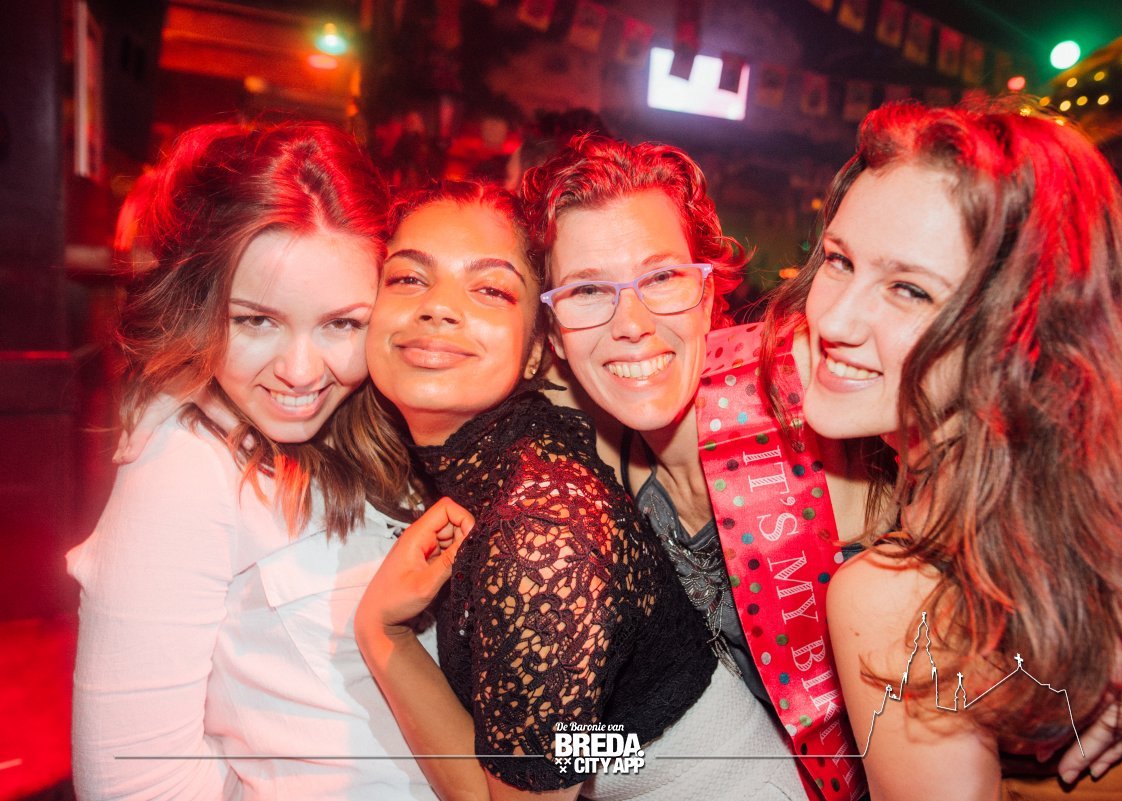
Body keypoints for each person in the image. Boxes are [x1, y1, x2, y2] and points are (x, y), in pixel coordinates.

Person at [758, 101, 1122, 799]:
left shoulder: (898, 599)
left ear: (1022, 327)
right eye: (839, 260)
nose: (834, 317)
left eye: (909, 289)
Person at [69, 121, 440, 801]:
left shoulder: (393, 426)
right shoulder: (184, 468)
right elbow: (132, 783)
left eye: (341, 323)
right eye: (256, 321)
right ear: (201, 305)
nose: (300, 371)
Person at [354, 181, 735, 800]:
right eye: (408, 279)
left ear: (537, 351)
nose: (438, 308)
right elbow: (584, 748)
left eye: (490, 289)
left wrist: (382, 631)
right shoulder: (497, 457)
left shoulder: (539, 532)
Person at [522, 136, 825, 797]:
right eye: (588, 290)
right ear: (552, 336)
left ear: (708, 293)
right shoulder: (597, 462)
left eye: (662, 278)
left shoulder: (808, 409)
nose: (631, 322)